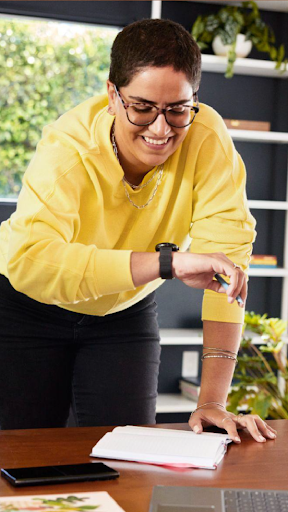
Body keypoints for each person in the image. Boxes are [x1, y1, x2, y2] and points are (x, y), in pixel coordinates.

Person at [0, 18, 277, 443]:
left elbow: (228, 264)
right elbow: (30, 261)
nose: (161, 129)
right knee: (20, 459)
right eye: (142, 107)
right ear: (113, 95)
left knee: (130, 463)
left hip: (122, 314)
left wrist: (213, 402)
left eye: (177, 109)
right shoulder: (68, 149)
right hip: (28, 309)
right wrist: (166, 263)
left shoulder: (205, 137)